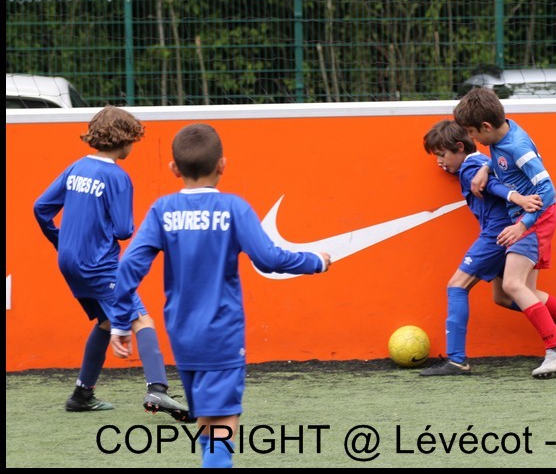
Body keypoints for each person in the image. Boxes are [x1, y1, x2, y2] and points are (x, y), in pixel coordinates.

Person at [108, 123, 332, 468]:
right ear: (222, 165)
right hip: (222, 337)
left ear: (174, 168)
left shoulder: (162, 210)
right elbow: (269, 258)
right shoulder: (233, 208)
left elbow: (128, 268)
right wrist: (315, 261)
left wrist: (121, 322)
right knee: (222, 423)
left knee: (207, 422)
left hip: (182, 336)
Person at [33, 106, 190, 420]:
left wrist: (60, 241)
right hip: (99, 265)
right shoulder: (118, 176)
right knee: (142, 320)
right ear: (124, 140)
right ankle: (157, 389)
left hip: (69, 262)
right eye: (133, 139)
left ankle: (82, 394)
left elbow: (41, 208)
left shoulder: (76, 167)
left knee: (106, 321)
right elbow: (123, 230)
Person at [453, 88, 556, 378]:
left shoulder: (517, 147)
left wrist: (523, 224)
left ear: (486, 127)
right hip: (527, 218)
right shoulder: (503, 134)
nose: (472, 139)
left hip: (535, 219)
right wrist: (487, 168)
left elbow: (548, 190)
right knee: (515, 293)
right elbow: (503, 162)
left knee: (513, 284)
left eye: (472, 133)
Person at [421, 119, 550, 375]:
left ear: (460, 147)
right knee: (504, 296)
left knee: (457, 285)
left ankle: (457, 360)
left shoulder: (471, 167)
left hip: (496, 234)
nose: (439, 161)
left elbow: (491, 185)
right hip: (506, 232)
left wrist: (517, 198)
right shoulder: (479, 163)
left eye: (442, 154)